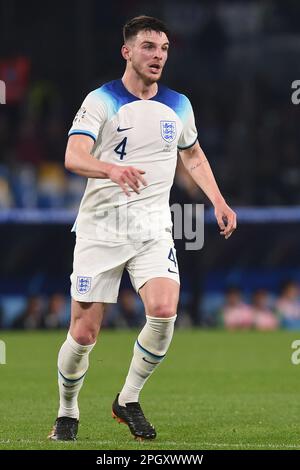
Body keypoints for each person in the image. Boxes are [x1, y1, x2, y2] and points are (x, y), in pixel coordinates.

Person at [48, 15, 236, 442]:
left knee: (166, 309)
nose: (158, 56)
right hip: (101, 227)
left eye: (165, 49)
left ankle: (128, 399)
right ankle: (67, 410)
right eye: (149, 46)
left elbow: (194, 157)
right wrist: (110, 170)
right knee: (83, 333)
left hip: (153, 227)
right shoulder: (101, 101)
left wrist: (219, 200)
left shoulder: (179, 104)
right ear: (127, 51)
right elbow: (73, 156)